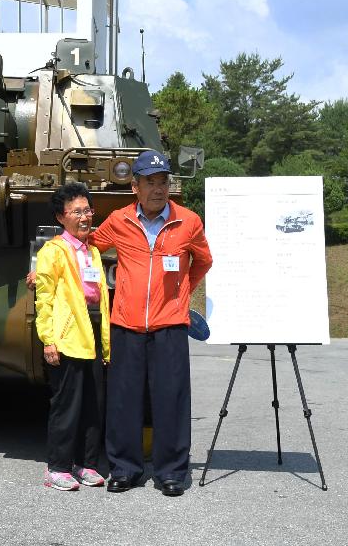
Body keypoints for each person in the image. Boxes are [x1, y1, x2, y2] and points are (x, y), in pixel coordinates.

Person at [90, 150, 213, 497]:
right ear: (135, 186)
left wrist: (182, 292)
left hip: (170, 325)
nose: (159, 189)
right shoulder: (119, 220)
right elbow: (87, 246)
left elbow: (203, 260)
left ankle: (171, 471)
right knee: (123, 399)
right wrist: (47, 262)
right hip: (126, 323)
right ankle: (124, 469)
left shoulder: (188, 221)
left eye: (163, 182)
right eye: (150, 183)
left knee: (170, 398)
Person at [34, 182, 111, 491]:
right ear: (61, 217)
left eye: (88, 210)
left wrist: (105, 343)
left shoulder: (92, 251)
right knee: (67, 405)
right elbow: (45, 299)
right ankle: (58, 467)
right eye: (77, 211)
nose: (84, 217)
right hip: (67, 337)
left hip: (92, 334)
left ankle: (86, 463)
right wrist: (48, 339)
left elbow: (100, 298)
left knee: (94, 404)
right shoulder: (53, 251)